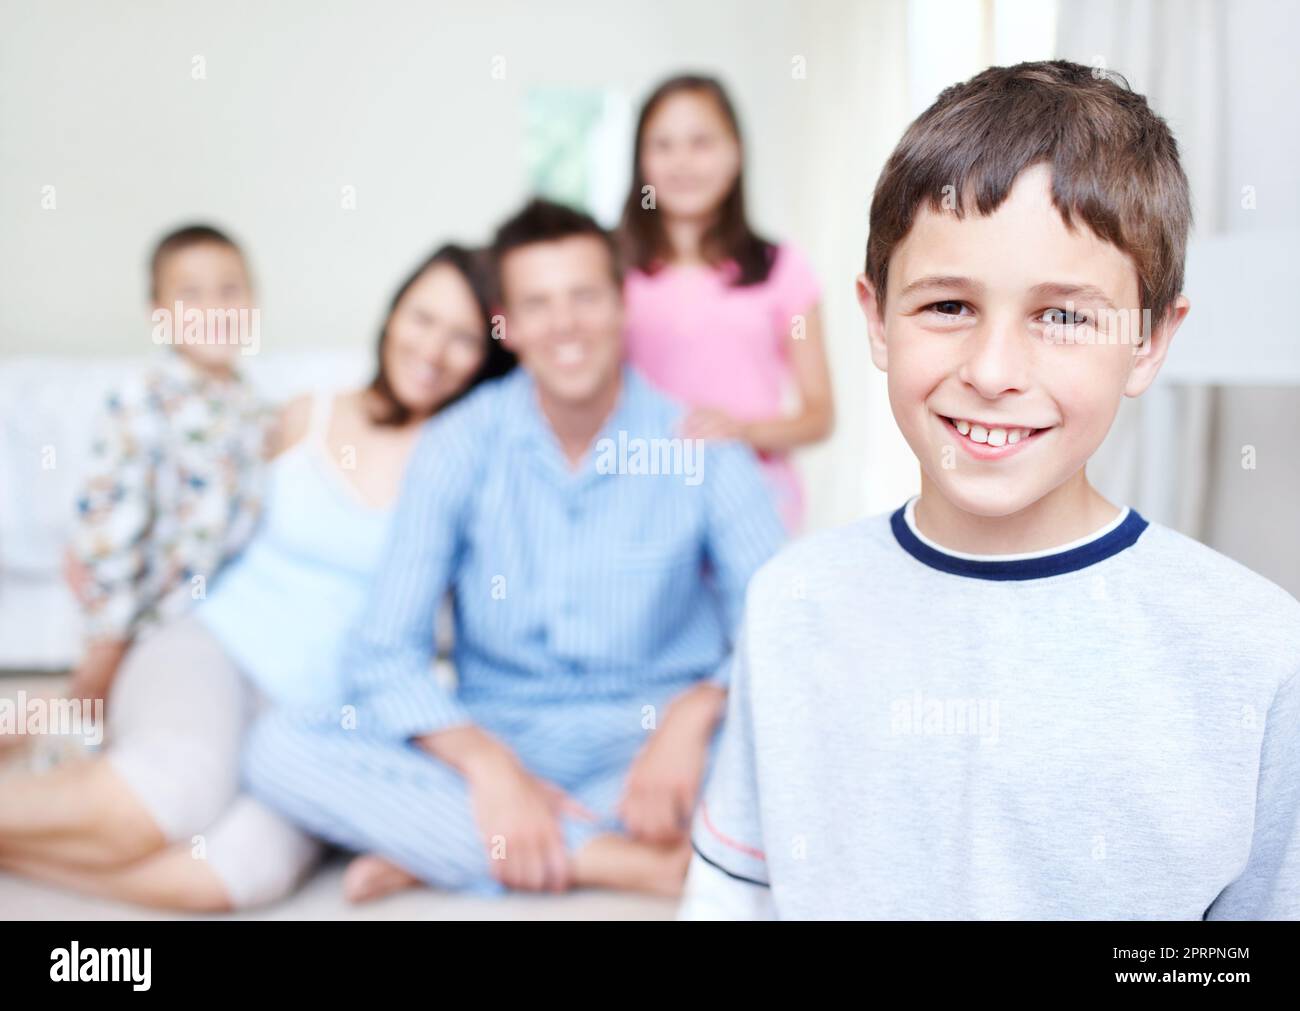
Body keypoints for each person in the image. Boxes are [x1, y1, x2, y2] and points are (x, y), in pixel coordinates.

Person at [682, 60, 1300, 919]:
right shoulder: (792, 603)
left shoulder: (1258, 649)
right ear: (876, 319)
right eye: (947, 307)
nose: (995, 371)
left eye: (1065, 315)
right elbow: (736, 896)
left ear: (1152, 341)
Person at [245, 199, 785, 901]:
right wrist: (488, 765)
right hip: (501, 734)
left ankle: (457, 848)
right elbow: (383, 650)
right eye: (538, 303)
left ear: (621, 305)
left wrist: (696, 710)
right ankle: (611, 857)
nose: (564, 324)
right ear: (508, 324)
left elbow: (783, 618)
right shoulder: (458, 444)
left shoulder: (701, 442)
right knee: (281, 747)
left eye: (584, 296)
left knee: (812, 753)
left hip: (658, 748)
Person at [0, 244, 513, 910]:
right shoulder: (306, 413)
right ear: (392, 317)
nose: (433, 349)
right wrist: (103, 574)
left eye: (463, 336)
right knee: (175, 789)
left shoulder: (471, 464)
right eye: (422, 318)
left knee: (237, 874)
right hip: (210, 646)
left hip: (317, 719)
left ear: (487, 353)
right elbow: (199, 508)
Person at [63, 224, 268, 706]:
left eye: (230, 290)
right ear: (160, 316)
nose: (214, 309)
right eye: (191, 295)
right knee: (90, 722)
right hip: (135, 618)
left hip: (210, 621)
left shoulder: (253, 409)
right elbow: (109, 520)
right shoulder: (143, 399)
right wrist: (108, 634)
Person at [619, 74, 833, 530]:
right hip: (640, 501)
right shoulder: (611, 271)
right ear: (641, 161)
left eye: (701, 142)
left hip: (755, 503)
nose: (682, 162)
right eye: (663, 144)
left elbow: (820, 414)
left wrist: (741, 431)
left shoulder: (782, 267)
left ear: (735, 152)